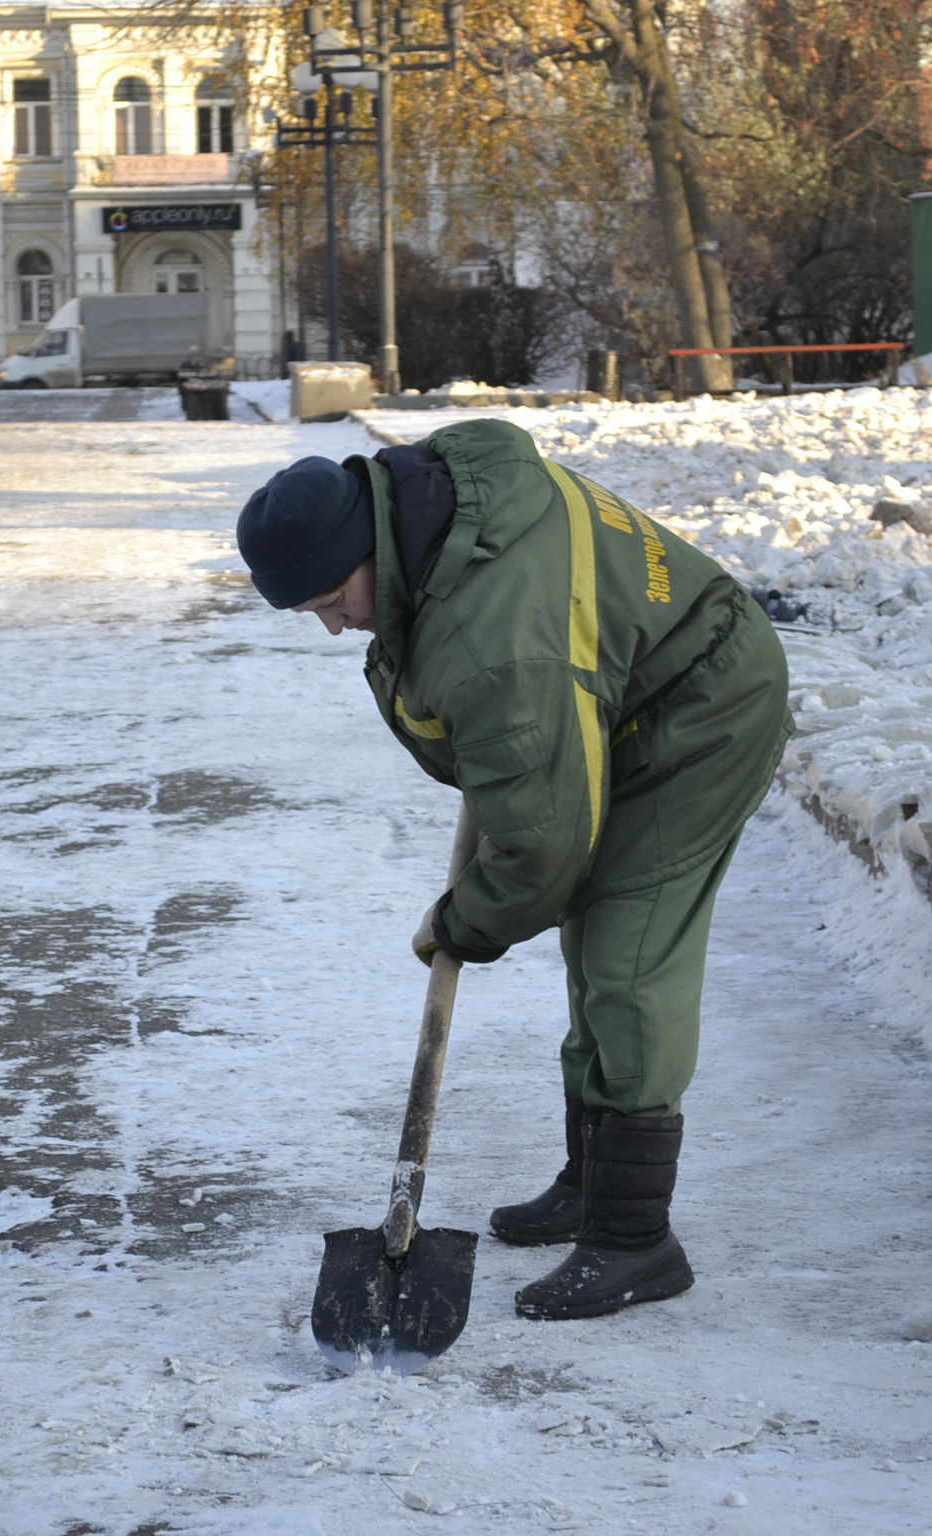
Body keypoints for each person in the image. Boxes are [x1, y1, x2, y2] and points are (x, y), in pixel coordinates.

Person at [235, 422, 790, 1320]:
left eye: (335, 597)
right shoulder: (438, 523)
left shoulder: (493, 639)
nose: (336, 624)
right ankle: (591, 1181)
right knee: (593, 949)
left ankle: (634, 1240)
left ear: (369, 545)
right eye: (315, 612)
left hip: (701, 712)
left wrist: (465, 921)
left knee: (629, 955)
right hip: (621, 696)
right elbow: (523, 758)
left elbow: (542, 844)